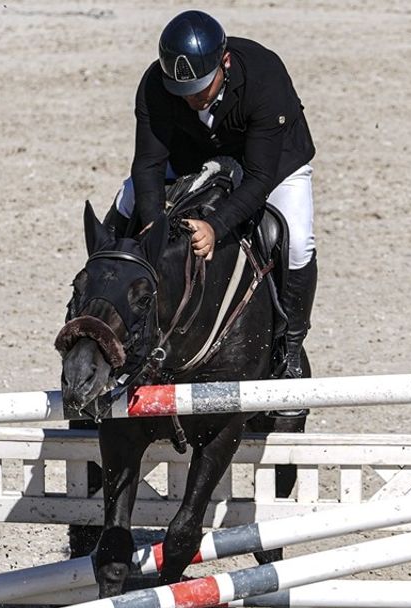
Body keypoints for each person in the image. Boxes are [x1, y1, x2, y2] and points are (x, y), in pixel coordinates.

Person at [106, 9, 318, 379]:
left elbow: (258, 177)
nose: (192, 99)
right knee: (126, 200)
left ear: (226, 61)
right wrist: (155, 225)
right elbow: (148, 165)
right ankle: (103, 321)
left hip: (274, 160)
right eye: (182, 92)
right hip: (193, 154)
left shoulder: (264, 75)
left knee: (298, 241)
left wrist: (215, 226)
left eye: (201, 88)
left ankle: (290, 348)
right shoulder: (157, 84)